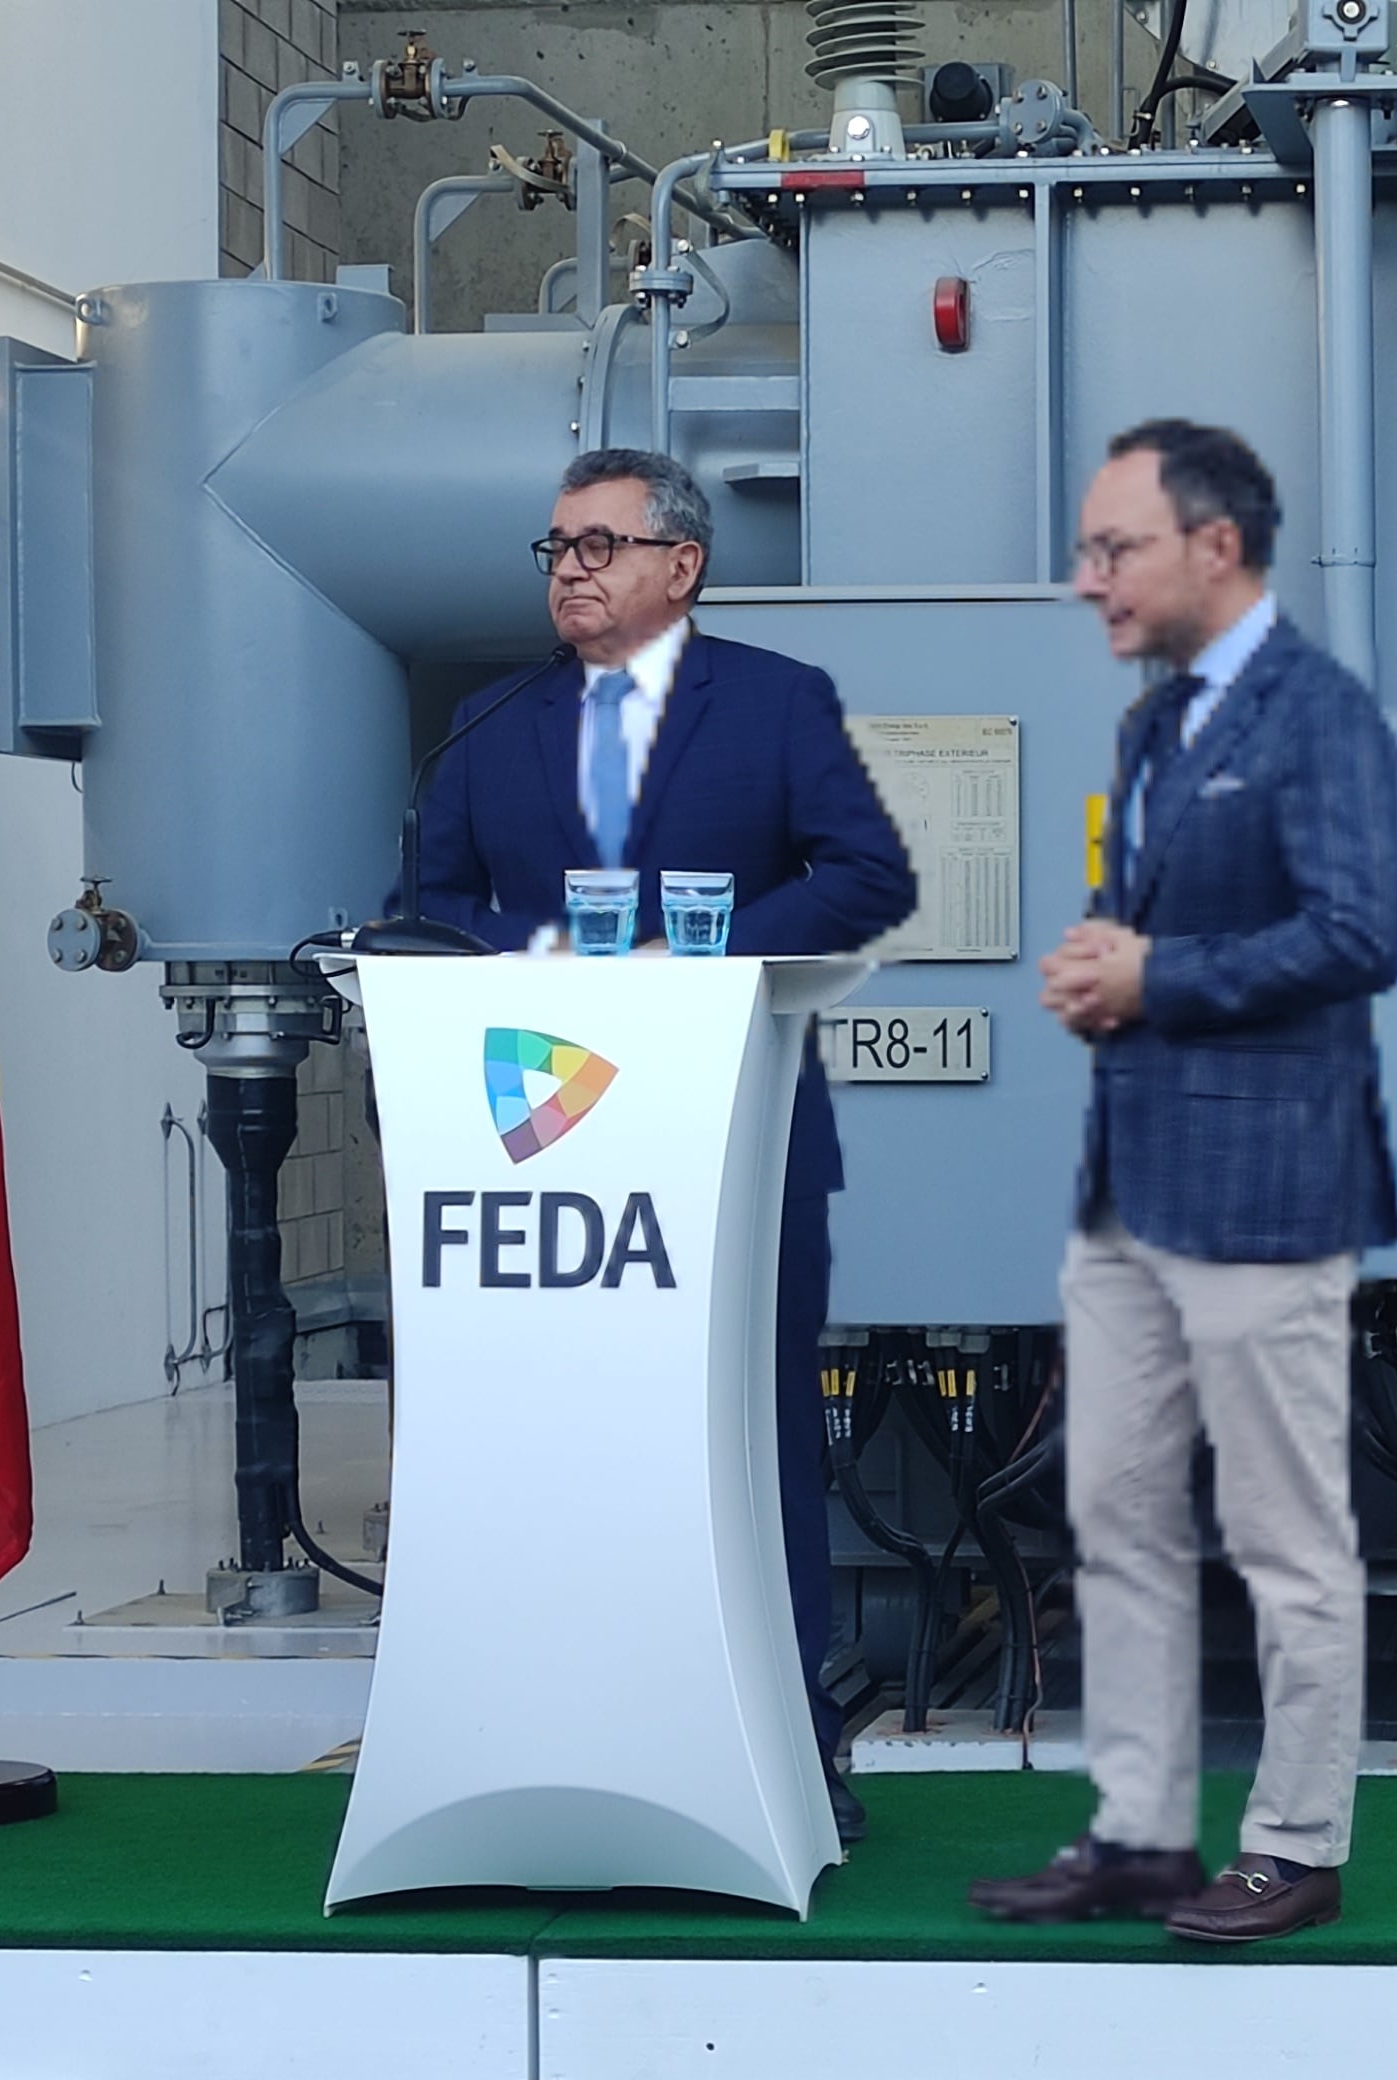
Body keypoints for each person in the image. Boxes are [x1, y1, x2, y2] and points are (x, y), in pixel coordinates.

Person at [399, 447, 916, 1845]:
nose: (571, 568)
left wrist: (699, 965)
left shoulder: (777, 705)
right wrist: (557, 961)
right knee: (565, 1448)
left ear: (680, 566)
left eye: (601, 545)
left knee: (754, 1437)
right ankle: (567, 1729)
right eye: (556, 547)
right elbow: (430, 904)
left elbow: (870, 872)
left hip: (737, 1138)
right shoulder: (486, 721)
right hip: (541, 1161)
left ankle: (791, 1747)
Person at [969, 421, 1397, 1944]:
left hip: (1269, 1191)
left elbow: (1364, 936)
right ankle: (1143, 1833)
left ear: (1215, 548)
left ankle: (1293, 1842)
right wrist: (1107, 965)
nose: (1089, 577)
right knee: (1120, 1516)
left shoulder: (1320, 718)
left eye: (1116, 547)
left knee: (1286, 1534)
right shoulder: (1157, 731)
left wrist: (1160, 974)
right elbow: (1147, 927)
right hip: (1130, 1193)